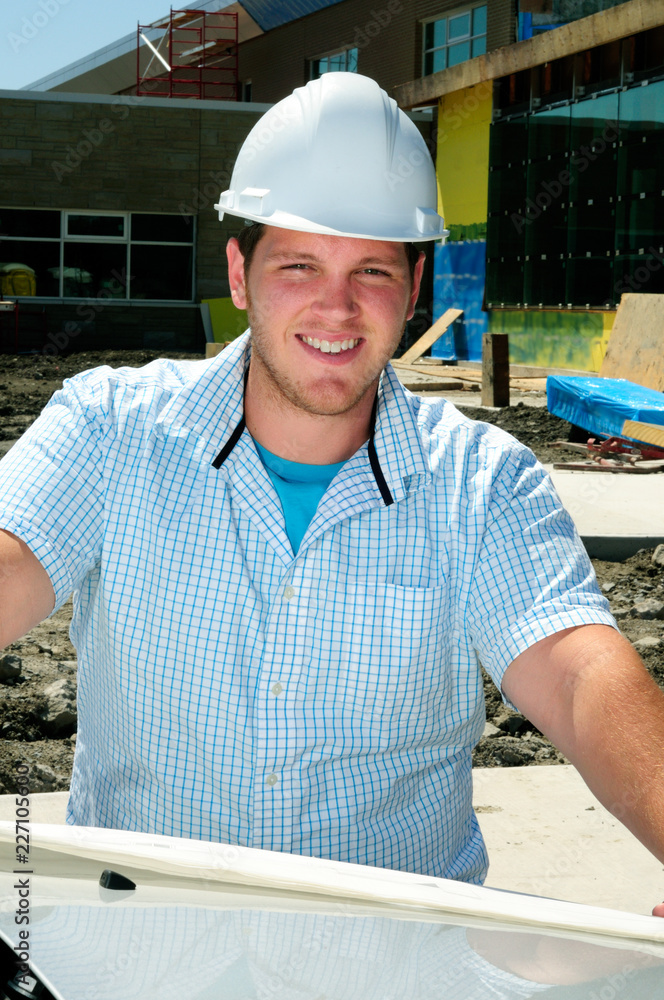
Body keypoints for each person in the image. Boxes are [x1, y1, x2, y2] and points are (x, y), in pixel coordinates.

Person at [1, 73, 664, 911]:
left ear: (414, 289)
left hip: (390, 964)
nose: (337, 307)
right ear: (240, 273)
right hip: (139, 954)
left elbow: (577, 677)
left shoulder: (482, 484)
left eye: (375, 272)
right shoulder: (109, 431)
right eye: (301, 263)